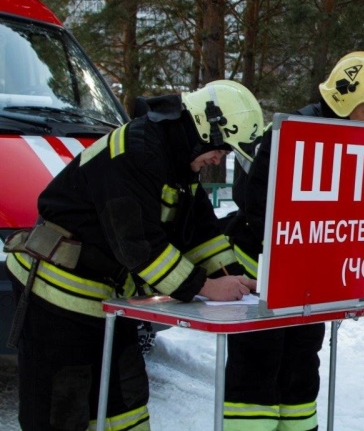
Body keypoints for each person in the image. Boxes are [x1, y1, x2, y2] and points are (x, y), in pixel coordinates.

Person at [3, 80, 263, 430]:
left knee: (126, 403)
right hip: (55, 297)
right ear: (205, 127)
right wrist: (205, 287)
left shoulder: (177, 159)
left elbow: (201, 232)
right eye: (221, 148)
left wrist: (232, 278)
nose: (220, 158)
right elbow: (139, 248)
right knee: (61, 410)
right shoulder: (134, 152)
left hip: (108, 299)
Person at [224, 51, 364, 431]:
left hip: (308, 278)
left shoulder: (349, 139)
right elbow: (258, 205)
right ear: (344, 100)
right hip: (263, 272)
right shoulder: (291, 135)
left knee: (302, 362)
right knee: (258, 364)